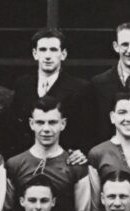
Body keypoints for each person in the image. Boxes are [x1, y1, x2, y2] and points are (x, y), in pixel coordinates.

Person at [1, 96, 90, 211]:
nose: (46, 129)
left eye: (52, 122)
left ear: (63, 124)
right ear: (31, 124)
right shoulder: (15, 164)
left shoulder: (76, 165)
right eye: (40, 122)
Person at [9, 28, 95, 156]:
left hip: (64, 161)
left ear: (63, 54)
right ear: (35, 54)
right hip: (27, 160)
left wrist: (82, 152)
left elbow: (87, 130)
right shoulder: (22, 85)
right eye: (43, 50)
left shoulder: (80, 88)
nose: (48, 56)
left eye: (53, 50)